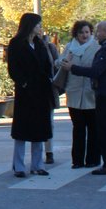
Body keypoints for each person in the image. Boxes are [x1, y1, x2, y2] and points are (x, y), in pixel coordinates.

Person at [64, 20, 106, 175]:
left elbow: (96, 71)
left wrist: (73, 68)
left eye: (97, 31)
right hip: (89, 92)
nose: (96, 34)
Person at [6, 13, 55, 177]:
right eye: (38, 24)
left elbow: (47, 64)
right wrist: (24, 83)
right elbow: (13, 68)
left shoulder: (40, 43)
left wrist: (48, 79)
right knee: (22, 131)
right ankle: (19, 166)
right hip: (25, 93)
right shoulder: (16, 43)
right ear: (30, 25)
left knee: (39, 130)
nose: (40, 27)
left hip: (41, 92)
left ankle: (37, 165)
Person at [57, 20, 100, 169]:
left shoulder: (96, 47)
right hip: (74, 92)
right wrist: (63, 61)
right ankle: (77, 160)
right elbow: (58, 62)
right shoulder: (70, 47)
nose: (84, 35)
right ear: (76, 33)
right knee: (78, 129)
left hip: (91, 93)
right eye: (81, 32)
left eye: (87, 32)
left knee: (93, 128)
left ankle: (93, 159)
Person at [42, 32, 59, 165]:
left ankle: (49, 152)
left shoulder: (49, 47)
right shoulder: (25, 45)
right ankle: (37, 153)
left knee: (49, 122)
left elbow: (57, 67)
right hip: (32, 90)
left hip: (48, 90)